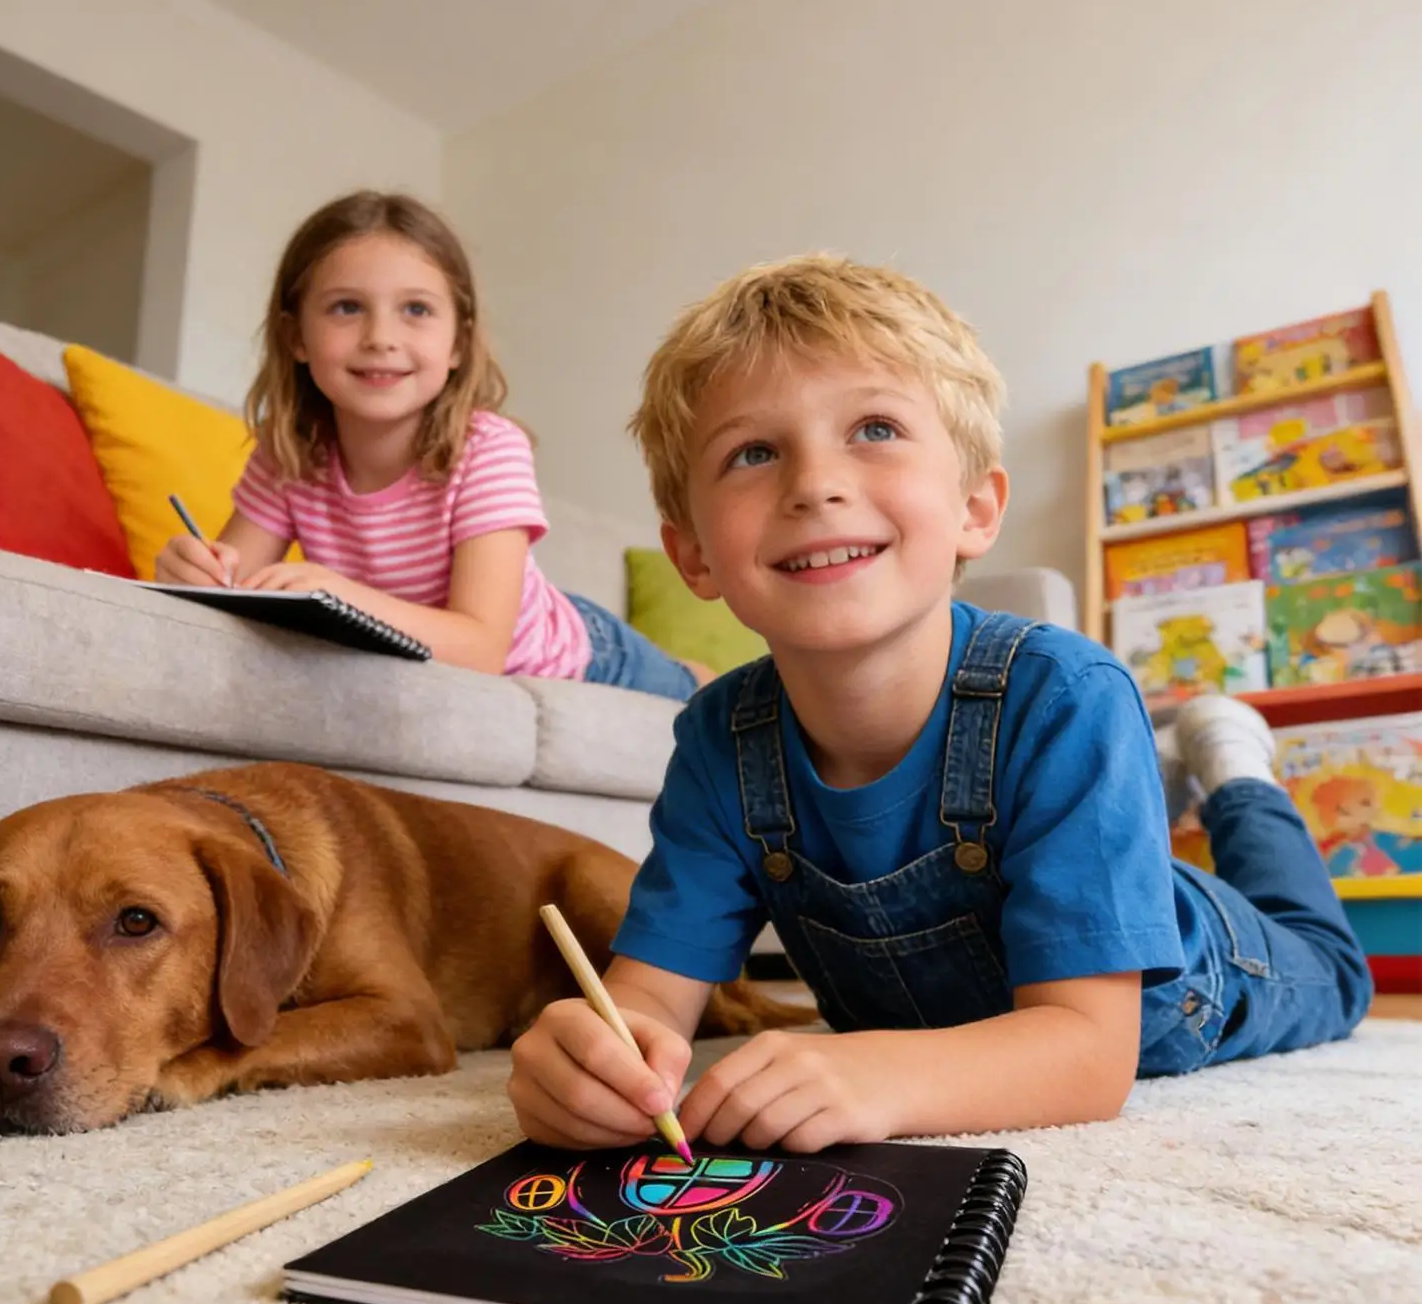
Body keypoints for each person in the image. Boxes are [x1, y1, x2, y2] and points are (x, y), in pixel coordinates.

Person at [507, 254, 1372, 1154]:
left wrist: (881, 1075)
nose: (813, 483)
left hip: (1208, 970)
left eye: (874, 428)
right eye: (753, 452)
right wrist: (594, 1059)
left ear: (975, 508)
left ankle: (1236, 775)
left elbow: (1088, 1053)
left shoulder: (1066, 694)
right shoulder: (716, 739)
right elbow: (648, 997)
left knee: (1333, 968)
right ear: (692, 554)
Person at [155, 190, 709, 699]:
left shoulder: (487, 448)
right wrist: (194, 575)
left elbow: (481, 649)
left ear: (458, 344)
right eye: (347, 307)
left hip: (582, 655)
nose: (380, 337)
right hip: (439, 641)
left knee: (702, 696)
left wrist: (338, 595)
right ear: (296, 336)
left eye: (416, 310)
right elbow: (233, 592)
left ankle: (699, 671)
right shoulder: (289, 456)